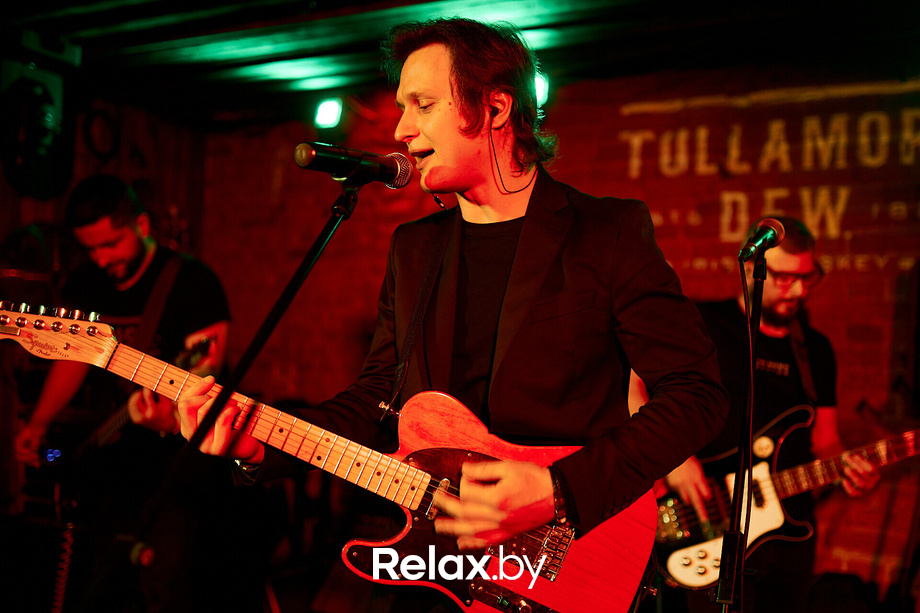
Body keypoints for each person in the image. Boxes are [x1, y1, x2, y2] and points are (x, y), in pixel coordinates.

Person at [178, 17, 730, 612]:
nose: (401, 129)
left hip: (569, 559)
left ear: (495, 108)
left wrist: (558, 490)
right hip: (439, 569)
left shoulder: (608, 232)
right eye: (402, 107)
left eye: (423, 104)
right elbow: (375, 403)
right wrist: (257, 441)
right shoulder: (415, 248)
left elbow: (697, 393)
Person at [11, 174, 263, 612]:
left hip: (172, 470)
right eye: (90, 248)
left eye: (110, 244)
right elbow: (72, 359)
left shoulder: (192, 283)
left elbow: (203, 375)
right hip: (109, 454)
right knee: (98, 580)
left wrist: (169, 420)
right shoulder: (84, 284)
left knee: (164, 585)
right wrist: (38, 423)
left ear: (142, 226)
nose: (101, 258)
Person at [645, 217, 880, 613]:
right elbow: (637, 389)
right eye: (787, 278)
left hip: (789, 534)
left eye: (809, 277)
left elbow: (825, 441)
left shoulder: (815, 350)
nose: (800, 291)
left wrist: (850, 468)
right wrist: (676, 461)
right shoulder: (704, 325)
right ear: (756, 269)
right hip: (708, 522)